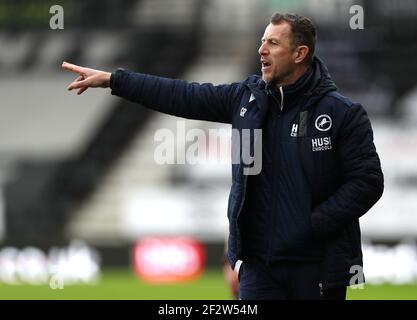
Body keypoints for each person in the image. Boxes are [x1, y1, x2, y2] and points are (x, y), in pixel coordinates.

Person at [62, 13, 384, 300]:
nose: (261, 50)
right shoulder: (246, 98)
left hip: (317, 269)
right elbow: (183, 96)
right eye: (261, 42)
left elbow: (368, 182)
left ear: (300, 54)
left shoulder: (342, 114)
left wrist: (313, 223)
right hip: (259, 270)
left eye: (272, 43)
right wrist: (116, 80)